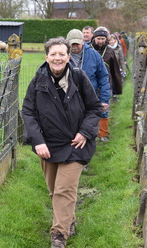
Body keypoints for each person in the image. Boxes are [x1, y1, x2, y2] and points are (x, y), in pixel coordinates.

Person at [22, 37, 102, 248]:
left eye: (61, 54)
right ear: (46, 56)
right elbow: (28, 112)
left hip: (76, 144)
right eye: (53, 54)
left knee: (63, 191)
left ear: (68, 56)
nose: (57, 58)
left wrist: (85, 132)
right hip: (48, 145)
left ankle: (58, 236)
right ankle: (69, 221)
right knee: (54, 191)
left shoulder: (78, 77)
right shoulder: (38, 80)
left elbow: (95, 108)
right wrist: (37, 141)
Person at [66, 29, 110, 119]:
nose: (74, 47)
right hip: (68, 100)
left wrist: (104, 100)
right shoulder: (61, 56)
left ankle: (102, 133)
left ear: (83, 41)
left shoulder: (94, 55)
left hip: (90, 98)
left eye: (77, 44)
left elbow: (103, 78)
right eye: (72, 44)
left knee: (90, 126)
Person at [91, 27, 123, 141]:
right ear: (94, 38)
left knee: (104, 108)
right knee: (90, 109)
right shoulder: (88, 50)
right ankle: (91, 132)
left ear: (106, 39)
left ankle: (103, 134)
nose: (100, 41)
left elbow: (115, 70)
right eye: (98, 38)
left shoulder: (110, 51)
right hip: (91, 84)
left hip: (105, 84)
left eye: (103, 39)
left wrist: (117, 87)